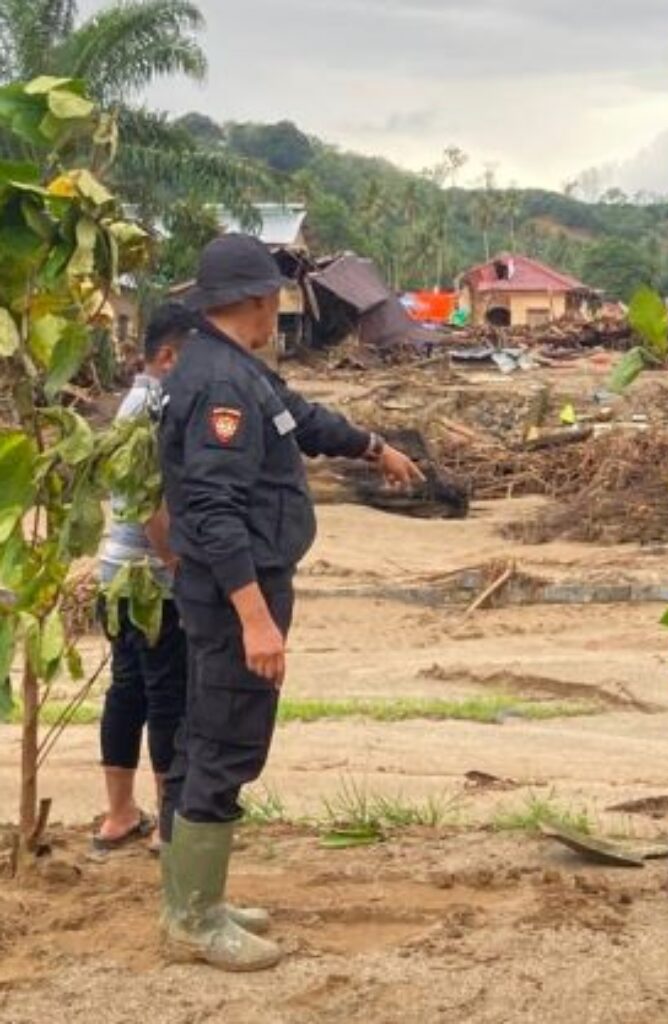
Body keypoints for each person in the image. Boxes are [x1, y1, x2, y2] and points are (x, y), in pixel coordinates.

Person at [157, 234, 424, 971]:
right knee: (224, 741)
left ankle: (190, 898)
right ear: (254, 299)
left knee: (202, 736)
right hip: (231, 591)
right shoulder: (218, 385)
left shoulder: (236, 369)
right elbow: (211, 509)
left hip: (231, 586)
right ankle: (193, 920)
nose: (281, 304)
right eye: (275, 293)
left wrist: (373, 446)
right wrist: (254, 616)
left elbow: (302, 421)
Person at [94, 304, 194, 853]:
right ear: (167, 356)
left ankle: (119, 815)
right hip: (150, 578)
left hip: (115, 572)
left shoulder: (129, 403)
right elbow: (147, 499)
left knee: (127, 689)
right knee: (166, 695)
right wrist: (175, 562)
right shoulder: (152, 404)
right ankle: (166, 822)